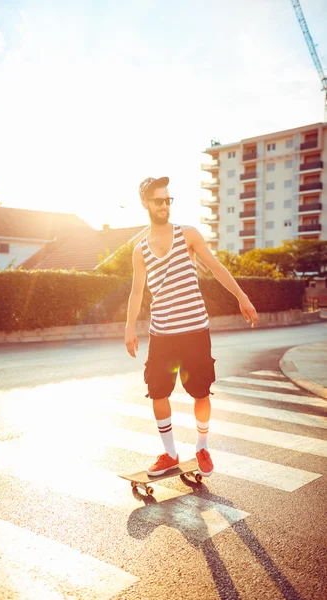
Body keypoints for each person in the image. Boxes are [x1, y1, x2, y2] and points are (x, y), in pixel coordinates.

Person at [124, 176, 258, 478]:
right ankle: (170, 453)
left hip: (195, 330)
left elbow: (215, 267)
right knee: (157, 392)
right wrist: (129, 327)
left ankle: (201, 447)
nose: (164, 205)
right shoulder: (140, 249)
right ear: (145, 204)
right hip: (161, 334)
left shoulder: (188, 234)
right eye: (158, 200)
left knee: (200, 392)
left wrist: (242, 296)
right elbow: (136, 291)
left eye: (168, 200)